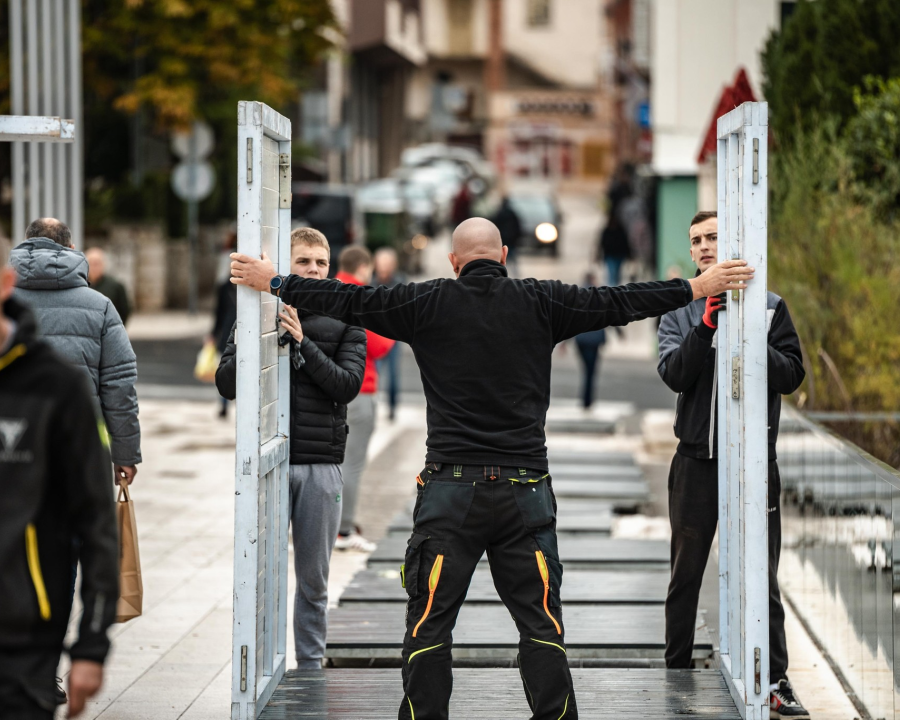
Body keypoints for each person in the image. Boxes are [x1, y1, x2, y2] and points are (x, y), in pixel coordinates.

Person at [230, 217, 753, 720]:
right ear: (503, 257)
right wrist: (697, 285)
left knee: (430, 626)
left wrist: (273, 281)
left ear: (453, 261)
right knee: (541, 626)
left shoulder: (424, 300)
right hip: (525, 492)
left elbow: (347, 298)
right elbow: (618, 302)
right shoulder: (542, 300)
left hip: (449, 493)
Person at [0, 213, 118, 719]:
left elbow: (96, 524)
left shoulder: (53, 387)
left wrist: (91, 647)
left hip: (16, 647)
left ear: (3, 284)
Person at [657, 210, 808, 719]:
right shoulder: (679, 311)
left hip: (754, 466)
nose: (703, 247)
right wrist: (706, 323)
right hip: (695, 463)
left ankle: (776, 682)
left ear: (735, 242)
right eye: (696, 239)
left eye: (714, 237)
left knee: (762, 576)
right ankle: (675, 672)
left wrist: (748, 334)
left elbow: (792, 375)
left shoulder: (770, 307)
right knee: (686, 575)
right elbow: (675, 375)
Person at [216, 227, 366, 668]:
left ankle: (311, 667)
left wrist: (303, 342)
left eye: (320, 262)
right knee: (263, 576)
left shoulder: (345, 315)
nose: (314, 270)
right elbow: (227, 384)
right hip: (270, 462)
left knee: (314, 582)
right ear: (286, 265)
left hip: (321, 466)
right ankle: (263, 669)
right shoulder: (258, 310)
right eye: (304, 262)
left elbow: (348, 385)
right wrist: (258, 336)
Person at [11, 218, 141, 486]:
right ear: (70, 248)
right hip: (82, 440)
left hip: (9, 442)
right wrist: (125, 454)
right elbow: (119, 386)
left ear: (25, 247)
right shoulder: (101, 306)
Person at [334, 246, 395, 553]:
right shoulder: (359, 296)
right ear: (363, 268)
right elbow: (380, 345)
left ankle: (332, 524)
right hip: (361, 388)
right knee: (353, 463)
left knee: (333, 461)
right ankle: (343, 530)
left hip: (331, 388)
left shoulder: (327, 291)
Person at [372, 247, 406, 421]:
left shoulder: (400, 282)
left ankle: (392, 408)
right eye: (381, 263)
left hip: (393, 337)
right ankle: (372, 405)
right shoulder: (370, 283)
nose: (383, 268)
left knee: (393, 376)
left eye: (387, 264)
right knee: (373, 373)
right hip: (375, 335)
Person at [211, 231, 238, 418]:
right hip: (227, 332)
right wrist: (212, 334)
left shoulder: (254, 287)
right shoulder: (224, 288)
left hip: (244, 332)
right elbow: (218, 312)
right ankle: (223, 405)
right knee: (226, 369)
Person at [572, 275, 606, 410]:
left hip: (581, 339)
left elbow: (570, 319)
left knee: (586, 370)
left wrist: (564, 342)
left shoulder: (577, 297)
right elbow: (609, 314)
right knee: (590, 372)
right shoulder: (598, 296)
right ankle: (587, 400)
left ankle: (586, 399)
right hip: (594, 340)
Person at [84, 247, 132, 325]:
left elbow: (124, 311)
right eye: (91, 263)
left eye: (97, 263)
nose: (94, 267)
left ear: (103, 264)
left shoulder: (116, 286)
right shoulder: (80, 285)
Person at [599, 210, 631, 287]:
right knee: (612, 273)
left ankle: (615, 289)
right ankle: (613, 290)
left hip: (619, 255)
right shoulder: (607, 231)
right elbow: (601, 243)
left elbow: (625, 243)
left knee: (617, 273)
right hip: (610, 255)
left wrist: (629, 254)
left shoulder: (620, 230)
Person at [492, 195, 522, 270]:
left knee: (504, 254)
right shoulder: (512, 213)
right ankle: (514, 269)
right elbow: (518, 226)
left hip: (503, 238)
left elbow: (495, 225)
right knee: (512, 255)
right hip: (511, 238)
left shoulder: (499, 213)